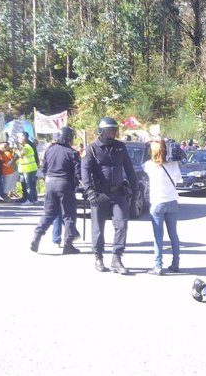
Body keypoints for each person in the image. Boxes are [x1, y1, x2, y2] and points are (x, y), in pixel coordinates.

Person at [81, 117, 138, 274]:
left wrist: (135, 185)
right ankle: (98, 257)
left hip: (119, 192)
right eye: (109, 130)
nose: (112, 133)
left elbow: (129, 167)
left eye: (114, 130)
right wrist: (90, 190)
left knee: (121, 225)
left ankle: (117, 258)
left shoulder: (120, 147)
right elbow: (84, 171)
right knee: (98, 228)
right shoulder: (92, 149)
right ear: (101, 131)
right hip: (99, 194)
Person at [30, 127, 81, 255]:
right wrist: (80, 185)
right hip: (64, 184)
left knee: (48, 213)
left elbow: (43, 169)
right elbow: (78, 173)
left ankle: (37, 235)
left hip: (50, 183)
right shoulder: (72, 152)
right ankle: (68, 244)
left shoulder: (49, 150)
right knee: (69, 215)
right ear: (69, 137)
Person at [142, 139, 182, 275]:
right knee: (173, 235)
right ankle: (176, 264)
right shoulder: (173, 164)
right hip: (172, 202)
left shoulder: (149, 165)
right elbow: (177, 178)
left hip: (157, 203)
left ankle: (158, 266)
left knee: (158, 237)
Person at [16, 132, 38, 205]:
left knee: (29, 186)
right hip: (30, 168)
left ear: (23, 138)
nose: (18, 139)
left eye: (19, 138)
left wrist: (16, 150)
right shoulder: (26, 146)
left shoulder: (27, 146)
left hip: (28, 169)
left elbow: (21, 155)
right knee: (31, 185)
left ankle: (30, 200)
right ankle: (34, 199)